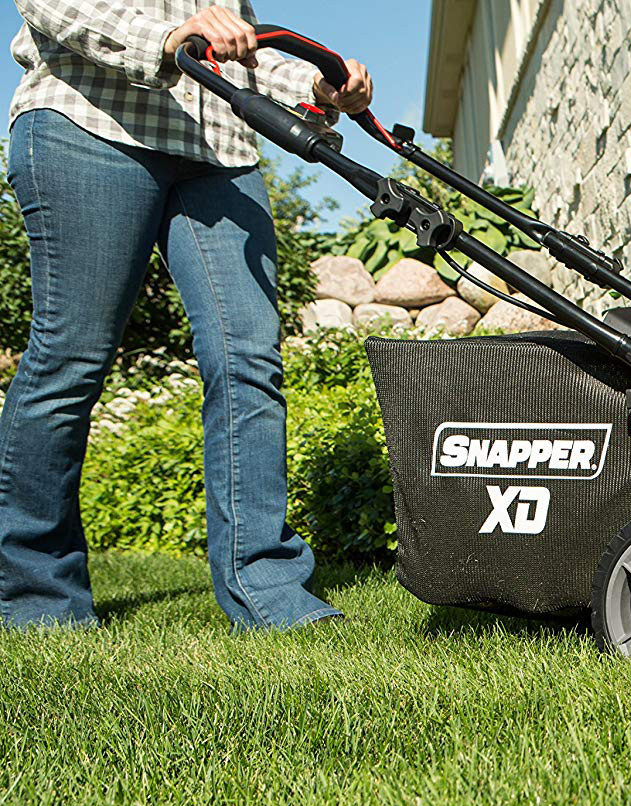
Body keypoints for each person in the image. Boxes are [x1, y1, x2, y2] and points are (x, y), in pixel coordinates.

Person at [0, 3, 373, 629]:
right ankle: (39, 599)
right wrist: (171, 35)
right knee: (72, 357)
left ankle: (269, 589)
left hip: (217, 152)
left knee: (249, 357)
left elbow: (237, 55)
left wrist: (315, 84)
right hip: (88, 122)